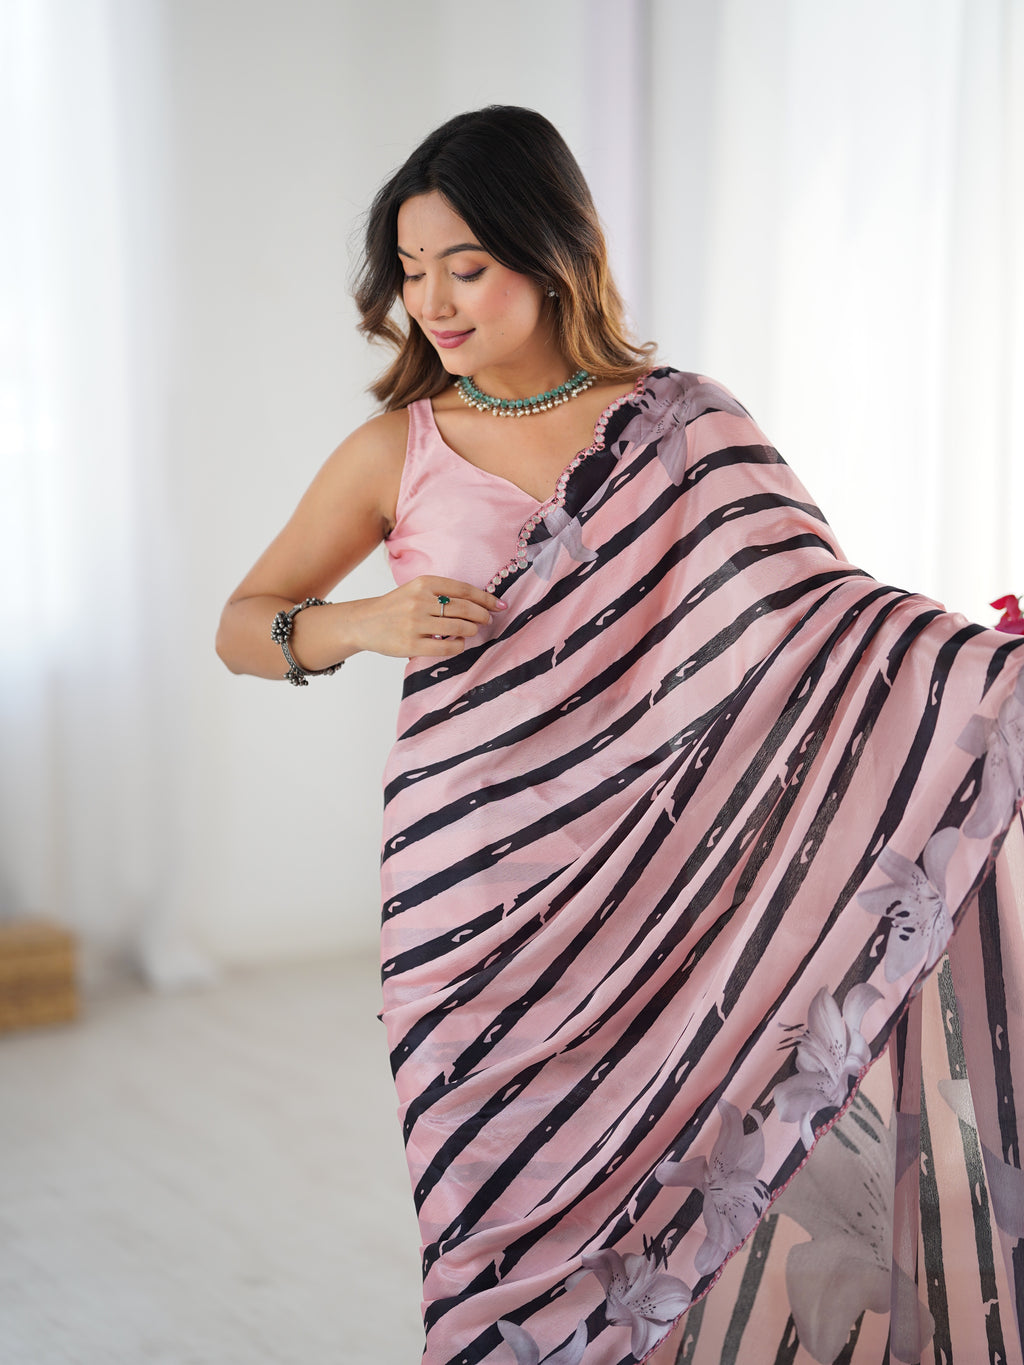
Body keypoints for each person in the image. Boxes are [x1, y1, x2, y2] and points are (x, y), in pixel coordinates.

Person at [216, 108, 1024, 1365]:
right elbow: (243, 623)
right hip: (470, 889)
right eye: (411, 272)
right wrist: (363, 622)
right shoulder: (398, 449)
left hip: (670, 882)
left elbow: (819, 626)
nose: (431, 300)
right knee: (488, 1203)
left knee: (703, 1173)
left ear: (553, 253)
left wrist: (991, 681)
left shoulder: (687, 422)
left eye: (464, 266)